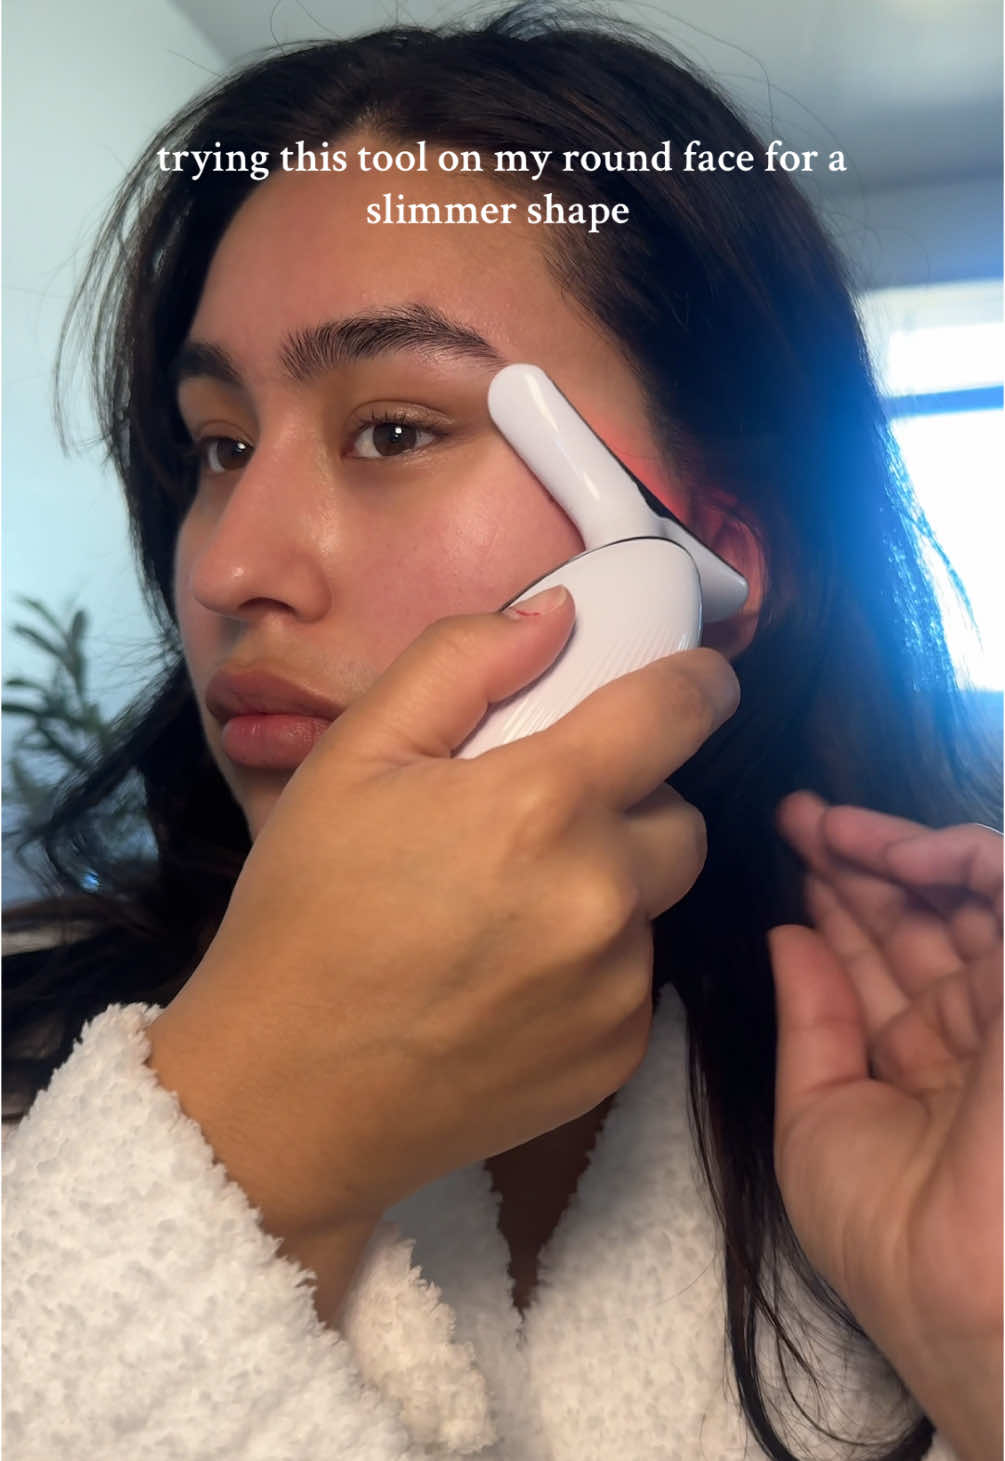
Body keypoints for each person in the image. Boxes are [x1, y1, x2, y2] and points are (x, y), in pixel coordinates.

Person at [3, 7, 1001, 1459]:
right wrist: (249, 1134)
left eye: (393, 430)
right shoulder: (30, 1040)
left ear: (714, 563)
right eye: (219, 446)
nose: (227, 568)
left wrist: (982, 1365)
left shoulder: (938, 1102)